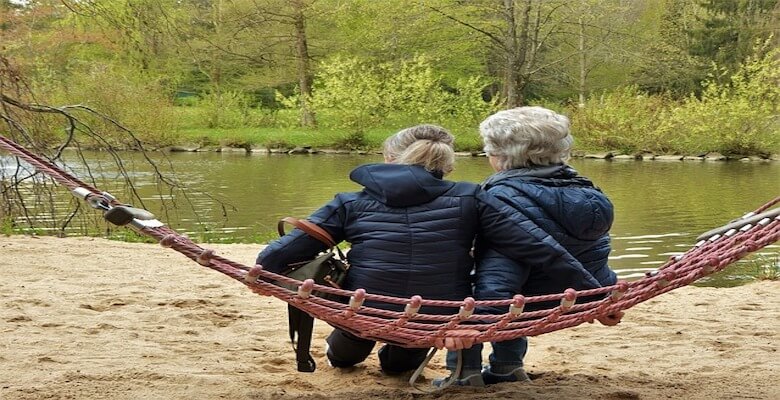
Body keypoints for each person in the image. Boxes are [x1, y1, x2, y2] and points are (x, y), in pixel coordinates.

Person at [256, 124, 602, 377]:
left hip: (364, 310)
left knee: (348, 346)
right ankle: (397, 350)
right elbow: (538, 248)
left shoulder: (349, 203)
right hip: (433, 317)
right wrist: (596, 297)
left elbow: (276, 258)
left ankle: (349, 345)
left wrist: (261, 272)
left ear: (389, 159)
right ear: (446, 166)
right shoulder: (473, 196)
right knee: (399, 367)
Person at [440, 106, 622, 387]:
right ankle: (507, 366)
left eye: (489, 149)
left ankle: (464, 373)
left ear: (500, 156)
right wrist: (602, 295)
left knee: (461, 284)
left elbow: (499, 274)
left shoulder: (497, 198)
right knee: (514, 289)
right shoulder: (589, 192)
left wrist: (475, 325)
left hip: (521, 301)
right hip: (572, 296)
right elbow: (594, 252)